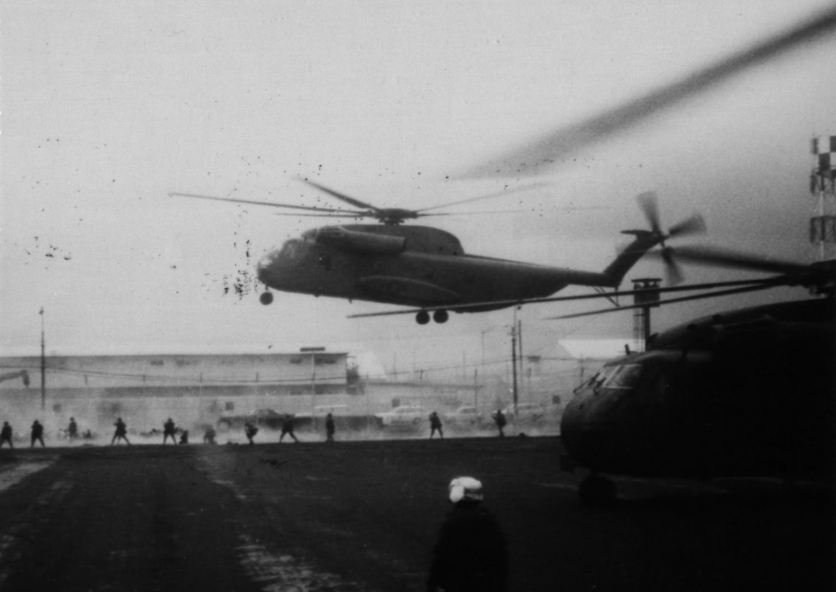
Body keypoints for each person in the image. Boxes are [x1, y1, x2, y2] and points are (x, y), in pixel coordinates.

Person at [427, 477, 508, 592]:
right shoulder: (489, 520)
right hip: (485, 581)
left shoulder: (453, 521)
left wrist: (433, 583)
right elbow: (501, 555)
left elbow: (442, 554)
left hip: (457, 581)